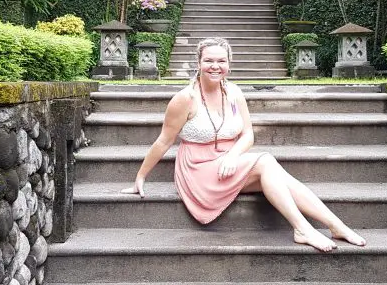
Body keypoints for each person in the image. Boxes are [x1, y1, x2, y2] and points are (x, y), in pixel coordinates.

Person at [121, 37, 366, 252]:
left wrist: (231, 156)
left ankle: (336, 225)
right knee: (266, 161)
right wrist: (140, 177)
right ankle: (303, 229)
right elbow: (164, 140)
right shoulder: (185, 99)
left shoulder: (235, 92)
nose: (215, 66)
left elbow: (248, 135)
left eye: (221, 61)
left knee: (277, 175)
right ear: (198, 63)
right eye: (208, 61)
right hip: (199, 170)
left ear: (229, 63)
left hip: (230, 163)